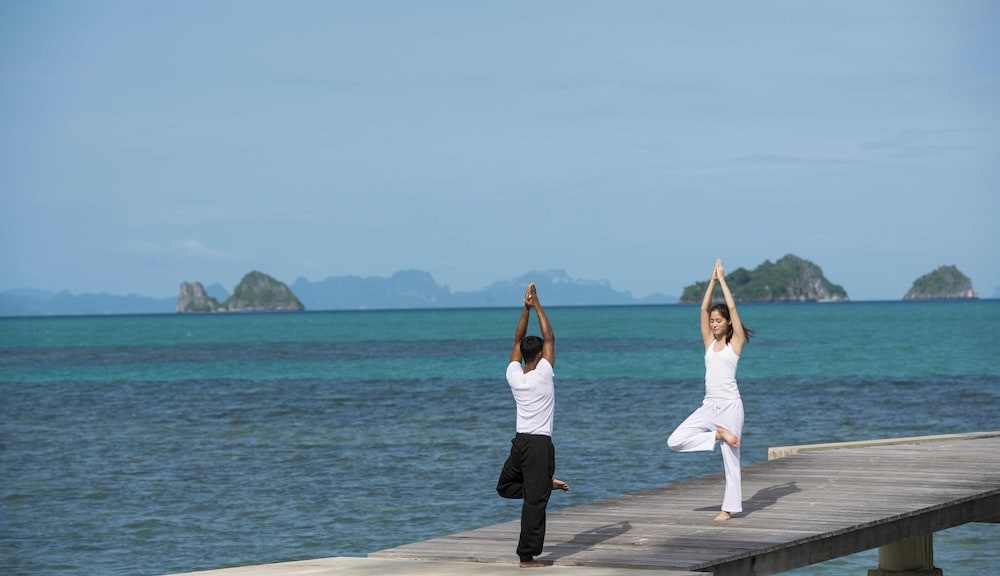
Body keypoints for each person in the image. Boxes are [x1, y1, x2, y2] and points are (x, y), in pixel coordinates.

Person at [668, 259, 753, 522]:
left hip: (730, 406)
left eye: (719, 321)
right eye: (713, 321)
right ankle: (716, 436)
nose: (714, 324)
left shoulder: (735, 344)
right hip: (709, 406)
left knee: (732, 460)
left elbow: (733, 307)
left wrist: (724, 281)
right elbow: (703, 308)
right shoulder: (708, 343)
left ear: (728, 323)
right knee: (674, 441)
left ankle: (728, 509)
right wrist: (712, 280)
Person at [496, 283, 569, 568]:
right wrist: (537, 305)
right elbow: (550, 338)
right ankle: (526, 557)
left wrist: (524, 309)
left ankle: (538, 484)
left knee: (505, 487)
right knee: (535, 503)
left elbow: (516, 342)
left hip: (520, 444)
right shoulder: (543, 374)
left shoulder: (514, 375)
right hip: (538, 445)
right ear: (540, 356)